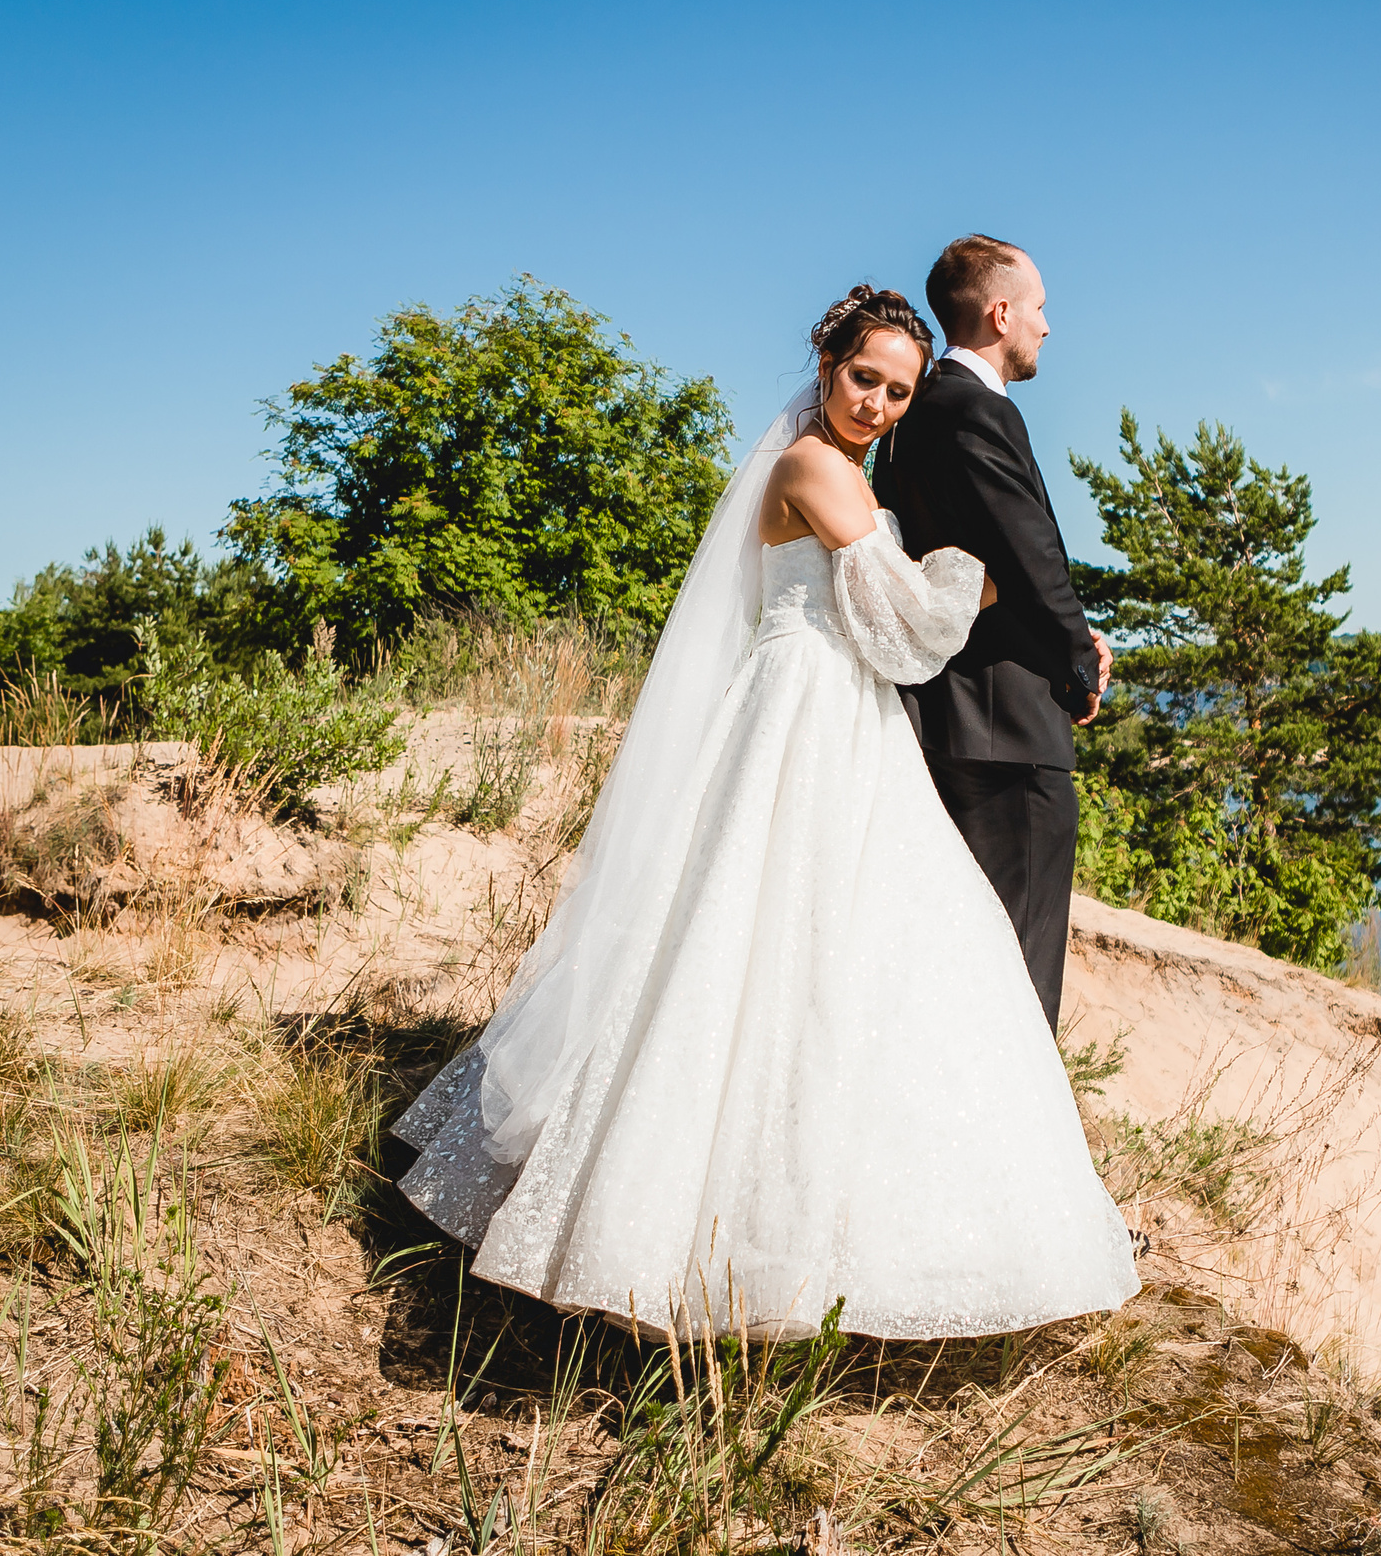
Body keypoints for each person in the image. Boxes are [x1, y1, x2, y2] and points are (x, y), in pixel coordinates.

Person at [391, 286, 1139, 1340]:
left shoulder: (836, 468)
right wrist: (984, 579)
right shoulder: (813, 469)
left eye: (898, 391)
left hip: (831, 710)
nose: (877, 403)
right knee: (755, 944)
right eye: (864, 378)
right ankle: (677, 1239)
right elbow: (907, 635)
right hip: (810, 712)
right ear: (826, 364)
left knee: (817, 952)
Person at [874, 236, 1111, 1031]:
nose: (1047, 326)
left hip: (934, 720)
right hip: (1008, 731)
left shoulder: (909, 418)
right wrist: (1081, 659)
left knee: (950, 956)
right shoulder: (976, 407)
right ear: (1001, 312)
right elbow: (1027, 549)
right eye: (1039, 307)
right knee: (1019, 966)